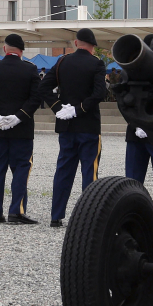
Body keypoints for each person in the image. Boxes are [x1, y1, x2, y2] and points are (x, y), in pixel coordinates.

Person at [40, 28, 107, 227]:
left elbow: (43, 87)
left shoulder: (61, 62)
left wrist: (59, 108)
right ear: (93, 47)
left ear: (76, 43)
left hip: (66, 126)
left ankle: (56, 216)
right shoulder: (97, 64)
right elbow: (99, 93)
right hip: (88, 125)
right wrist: (79, 109)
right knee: (90, 172)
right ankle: (88, 218)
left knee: (63, 171)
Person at [0, 33, 41, 224]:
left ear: (5, 49)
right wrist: (18, 117)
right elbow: (35, 98)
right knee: (21, 169)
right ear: (21, 51)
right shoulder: (30, 69)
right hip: (22, 130)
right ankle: (16, 212)